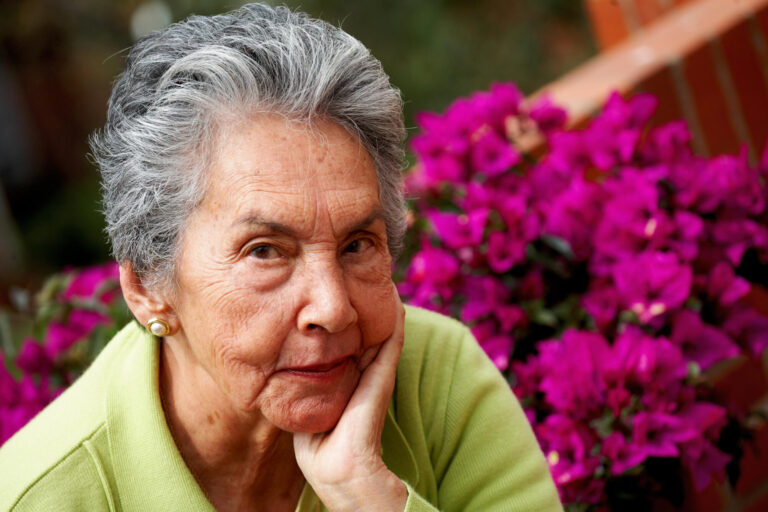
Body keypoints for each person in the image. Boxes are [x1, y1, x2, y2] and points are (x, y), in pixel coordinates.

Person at [0, 4, 563, 511]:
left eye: (356, 245)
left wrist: (369, 497)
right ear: (148, 286)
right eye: (265, 251)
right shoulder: (40, 498)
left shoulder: (436, 378)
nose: (333, 308)